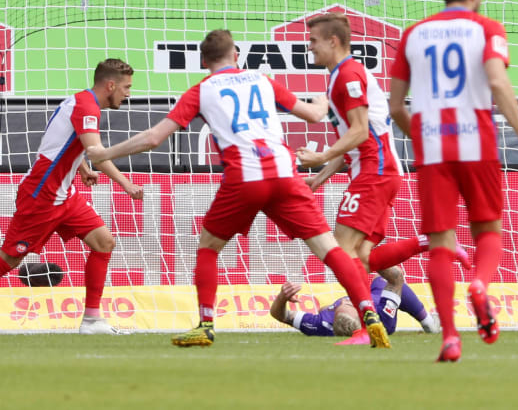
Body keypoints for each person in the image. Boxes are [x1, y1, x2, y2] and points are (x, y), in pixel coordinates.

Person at [86, 29, 388, 348]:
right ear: (236, 56)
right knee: (330, 249)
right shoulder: (261, 80)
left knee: (208, 247)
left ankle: (205, 324)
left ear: (204, 62)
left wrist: (105, 153)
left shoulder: (201, 91)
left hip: (244, 177)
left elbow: (153, 138)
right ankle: (368, 313)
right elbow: (313, 115)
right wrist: (322, 101)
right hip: (285, 174)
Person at [388, 0, 518, 362]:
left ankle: (450, 337)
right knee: (488, 230)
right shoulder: (487, 28)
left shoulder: (413, 35)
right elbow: (496, 81)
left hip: (434, 149)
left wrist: (421, 140)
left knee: (441, 244)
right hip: (477, 144)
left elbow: (395, 106)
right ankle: (478, 284)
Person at [296, 13, 453, 286]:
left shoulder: (348, 75)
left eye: (313, 40)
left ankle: (365, 319)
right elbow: (353, 143)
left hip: (374, 171)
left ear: (333, 41)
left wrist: (321, 156)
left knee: (341, 251)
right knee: (362, 257)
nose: (309, 46)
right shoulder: (341, 75)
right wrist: (320, 178)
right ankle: (429, 242)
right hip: (377, 171)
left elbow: (359, 131)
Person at [0, 58, 143, 335]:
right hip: (42, 194)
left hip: (65, 194)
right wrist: (126, 183)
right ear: (110, 85)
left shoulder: (78, 101)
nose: (128, 93)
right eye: (126, 87)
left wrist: (83, 169)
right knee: (9, 260)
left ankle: (91, 321)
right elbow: (97, 152)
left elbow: (64, 144)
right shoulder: (87, 107)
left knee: (104, 242)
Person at [269, 271, 440, 344]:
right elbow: (396, 279)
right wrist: (376, 258)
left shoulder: (320, 325)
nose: (348, 301)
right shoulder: (381, 317)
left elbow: (280, 315)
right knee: (384, 280)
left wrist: (282, 298)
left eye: (342, 306)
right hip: (382, 304)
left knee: (323, 308)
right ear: (363, 318)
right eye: (351, 304)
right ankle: (428, 322)